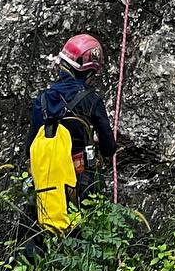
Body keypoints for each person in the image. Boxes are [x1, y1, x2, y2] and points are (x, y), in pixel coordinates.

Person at [26, 33, 117, 230]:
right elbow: (109, 147)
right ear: (89, 71)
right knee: (83, 231)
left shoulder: (41, 100)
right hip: (80, 180)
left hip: (46, 182)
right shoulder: (91, 100)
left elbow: (30, 148)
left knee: (47, 230)